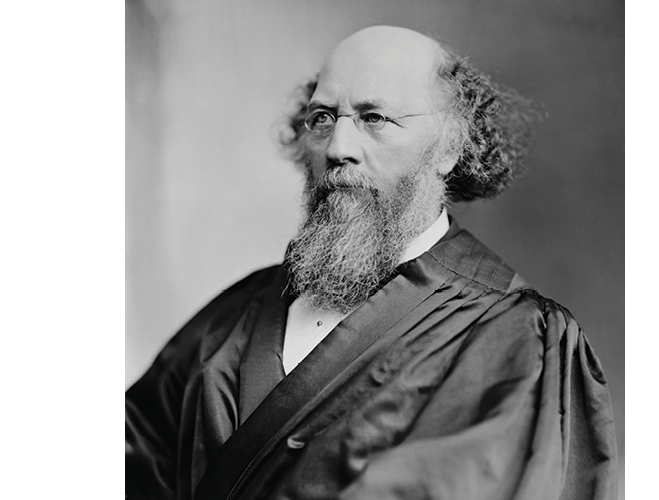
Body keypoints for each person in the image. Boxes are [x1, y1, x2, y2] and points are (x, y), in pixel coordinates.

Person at [126, 25, 618, 500]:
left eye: (374, 118)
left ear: (449, 147)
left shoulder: (514, 336)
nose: (338, 148)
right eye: (323, 118)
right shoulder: (239, 311)